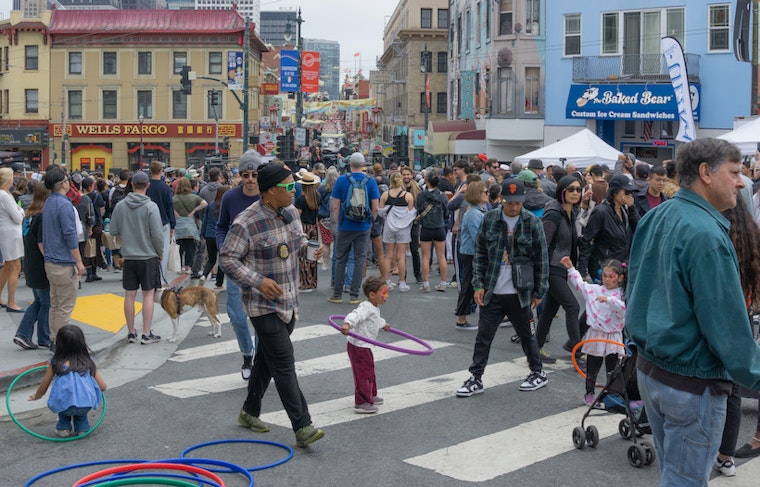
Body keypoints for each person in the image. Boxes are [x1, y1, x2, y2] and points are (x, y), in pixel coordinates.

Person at [625, 138, 760, 486]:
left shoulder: (656, 215)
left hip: (651, 371)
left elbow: (635, 292)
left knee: (674, 475)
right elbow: (728, 329)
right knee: (684, 481)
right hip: (690, 383)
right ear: (705, 173)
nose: (742, 181)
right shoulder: (706, 235)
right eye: (734, 172)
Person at [219, 162, 325, 448]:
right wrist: (257, 281)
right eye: (290, 186)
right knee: (284, 362)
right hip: (261, 304)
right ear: (269, 192)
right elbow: (227, 259)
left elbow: (297, 242)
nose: (295, 191)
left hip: (289, 301)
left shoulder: (290, 211)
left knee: (266, 360)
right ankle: (302, 426)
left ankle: (249, 411)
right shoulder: (246, 221)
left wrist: (312, 249)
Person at [455, 179, 549, 397]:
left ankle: (538, 372)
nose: (514, 207)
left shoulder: (532, 222)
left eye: (518, 203)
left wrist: (539, 291)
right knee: (483, 338)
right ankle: (475, 378)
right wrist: (478, 285)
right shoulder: (489, 219)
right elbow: (479, 255)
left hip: (520, 293)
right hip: (492, 291)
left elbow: (541, 259)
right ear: (502, 200)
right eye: (510, 203)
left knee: (527, 336)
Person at [715, 197, 760, 476]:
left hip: (719, 318)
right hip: (741, 316)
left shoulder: (715, 238)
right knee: (730, 388)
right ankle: (726, 455)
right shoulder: (749, 242)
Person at [216, 150, 262, 380]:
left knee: (262, 315)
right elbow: (221, 226)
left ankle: (261, 359)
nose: (251, 179)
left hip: (263, 264)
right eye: (246, 174)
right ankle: (247, 355)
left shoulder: (269, 195)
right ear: (240, 175)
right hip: (236, 265)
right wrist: (224, 247)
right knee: (236, 315)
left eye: (254, 174)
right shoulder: (230, 198)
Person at [561, 256, 626, 406]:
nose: (607, 279)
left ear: (620, 278)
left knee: (613, 369)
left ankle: (612, 394)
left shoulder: (622, 294)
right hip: (596, 334)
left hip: (613, 337)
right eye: (604, 275)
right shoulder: (595, 290)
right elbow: (580, 285)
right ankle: (589, 393)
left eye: (611, 276)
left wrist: (609, 300)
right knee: (592, 367)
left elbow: (623, 311)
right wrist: (570, 268)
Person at [110, 170, 164, 345]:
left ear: (132, 184)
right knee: (148, 295)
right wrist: (160, 251)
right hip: (148, 255)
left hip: (129, 255)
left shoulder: (121, 206)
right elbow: (157, 234)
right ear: (147, 185)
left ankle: (131, 332)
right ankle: (146, 332)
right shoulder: (151, 206)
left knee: (129, 295)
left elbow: (113, 231)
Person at [535, 176, 583, 363]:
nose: (575, 193)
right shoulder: (554, 213)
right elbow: (543, 244)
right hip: (551, 269)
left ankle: (535, 349)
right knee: (573, 306)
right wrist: (541, 272)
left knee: (548, 310)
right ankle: (577, 351)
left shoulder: (571, 211)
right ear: (562, 191)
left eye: (578, 190)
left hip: (562, 269)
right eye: (571, 189)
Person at [27, 324, 107, 437]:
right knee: (80, 407)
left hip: (65, 407)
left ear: (59, 344)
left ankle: (63, 428)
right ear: (82, 343)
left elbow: (44, 386)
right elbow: (103, 387)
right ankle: (82, 429)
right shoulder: (88, 362)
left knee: (64, 401)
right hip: (85, 405)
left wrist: (37, 396)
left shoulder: (55, 363)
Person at [329, 152, 380, 304]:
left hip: (345, 225)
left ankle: (337, 294)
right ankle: (354, 294)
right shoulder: (370, 182)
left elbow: (336, 205)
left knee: (340, 259)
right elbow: (376, 207)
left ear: (350, 164)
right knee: (359, 259)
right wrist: (370, 222)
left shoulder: (342, 180)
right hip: (363, 226)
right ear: (364, 165)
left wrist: (339, 223)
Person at [42, 166, 86, 346]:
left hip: (51, 261)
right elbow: (70, 235)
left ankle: (54, 339)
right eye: (67, 180)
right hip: (63, 262)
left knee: (56, 304)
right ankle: (61, 344)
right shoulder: (64, 204)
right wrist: (79, 261)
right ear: (63, 184)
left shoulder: (49, 202)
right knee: (65, 308)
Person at [340, 276, 391, 414]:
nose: (387, 296)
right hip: (359, 346)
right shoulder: (365, 307)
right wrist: (347, 324)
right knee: (363, 373)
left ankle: (371, 394)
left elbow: (374, 320)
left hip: (365, 346)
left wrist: (383, 324)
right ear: (372, 295)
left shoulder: (374, 307)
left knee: (370, 371)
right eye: (384, 293)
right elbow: (356, 315)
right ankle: (362, 402)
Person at [577, 174, 639, 282]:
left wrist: (632, 208)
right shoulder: (601, 212)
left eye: (631, 193)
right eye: (626, 192)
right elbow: (586, 240)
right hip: (604, 268)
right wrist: (582, 271)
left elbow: (639, 228)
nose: (629, 195)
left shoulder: (625, 210)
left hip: (621, 267)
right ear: (615, 192)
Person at [13, 183, 52, 350]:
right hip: (40, 265)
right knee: (46, 302)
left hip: (30, 263)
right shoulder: (42, 216)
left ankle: (26, 334)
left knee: (39, 301)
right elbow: (42, 243)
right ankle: (38, 336)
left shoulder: (30, 214)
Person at [454, 180, 488, 331]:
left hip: (472, 252)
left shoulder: (476, 211)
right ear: (478, 195)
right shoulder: (474, 213)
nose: (487, 194)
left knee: (471, 285)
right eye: (485, 192)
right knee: (468, 286)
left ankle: (463, 317)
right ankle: (461, 318)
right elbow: (478, 237)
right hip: (471, 253)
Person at [379, 171, 415, 292]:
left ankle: (386, 281)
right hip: (403, 228)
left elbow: (380, 212)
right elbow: (411, 214)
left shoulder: (385, 195)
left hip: (389, 227)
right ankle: (402, 283)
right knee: (401, 257)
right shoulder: (408, 196)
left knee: (388, 256)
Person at [416, 171, 450, 293]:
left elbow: (418, 209)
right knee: (441, 256)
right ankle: (443, 282)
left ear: (426, 181)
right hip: (439, 227)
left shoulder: (421, 195)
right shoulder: (442, 196)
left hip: (426, 228)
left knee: (425, 257)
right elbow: (447, 212)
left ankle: (426, 283)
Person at [0, 167, 26, 312]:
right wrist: (21, 212)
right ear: (8, 179)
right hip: (11, 234)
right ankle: (11, 302)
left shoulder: (4, 194)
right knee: (15, 267)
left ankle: (2, 298)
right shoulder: (5, 195)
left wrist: (19, 212)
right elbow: (17, 217)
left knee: (8, 266)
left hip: (7, 233)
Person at [146, 161, 176, 277]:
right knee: (163, 251)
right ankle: (161, 277)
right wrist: (172, 226)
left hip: (148, 222)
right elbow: (170, 207)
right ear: (161, 171)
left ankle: (150, 275)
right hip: (163, 221)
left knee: (149, 250)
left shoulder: (147, 187)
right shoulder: (165, 188)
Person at [173, 177, 207, 275]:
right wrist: (194, 210)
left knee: (179, 247)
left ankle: (180, 266)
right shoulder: (193, 197)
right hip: (190, 227)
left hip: (178, 226)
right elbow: (205, 203)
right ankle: (188, 266)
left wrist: (175, 213)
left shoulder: (174, 198)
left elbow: (168, 206)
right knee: (190, 248)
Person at [294, 171, 321, 291]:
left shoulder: (301, 199)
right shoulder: (317, 196)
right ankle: (313, 282)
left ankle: (305, 282)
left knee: (303, 256)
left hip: (304, 227)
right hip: (314, 227)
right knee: (313, 255)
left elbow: (297, 215)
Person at [199, 184, 229, 289]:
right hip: (222, 236)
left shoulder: (211, 205)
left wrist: (203, 234)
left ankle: (204, 275)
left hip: (209, 234)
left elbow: (205, 220)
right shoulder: (226, 206)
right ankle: (219, 282)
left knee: (211, 259)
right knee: (222, 259)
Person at [401, 166, 423, 283]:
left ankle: (417, 274)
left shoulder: (418, 189)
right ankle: (402, 276)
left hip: (414, 222)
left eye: (408, 174)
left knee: (414, 249)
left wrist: (419, 216)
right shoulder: (397, 189)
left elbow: (421, 204)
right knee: (401, 251)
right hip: (401, 222)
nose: (406, 177)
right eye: (404, 175)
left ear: (412, 175)